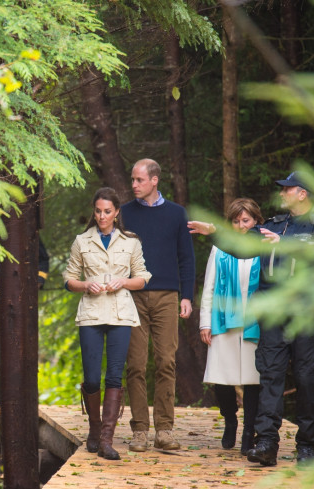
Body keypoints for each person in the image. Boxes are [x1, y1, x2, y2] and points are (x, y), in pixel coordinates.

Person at [188, 170, 314, 466]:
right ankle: (266, 442)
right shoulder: (275, 225)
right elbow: (240, 244)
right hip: (272, 315)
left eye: (287, 189)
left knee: (307, 380)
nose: (281, 193)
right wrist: (213, 231)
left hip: (306, 315)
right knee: (269, 378)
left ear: (302, 193)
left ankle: (307, 447)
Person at [63, 187, 151, 460]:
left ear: (117, 213)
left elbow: (143, 276)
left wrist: (123, 282)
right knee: (91, 378)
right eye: (99, 211)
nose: (102, 216)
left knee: (114, 375)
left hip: (121, 315)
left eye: (108, 211)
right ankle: (93, 428)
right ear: (94, 211)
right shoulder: (82, 241)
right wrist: (85, 285)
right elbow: (68, 279)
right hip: (91, 314)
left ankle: (106, 440)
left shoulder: (131, 242)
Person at [121, 159, 196, 452]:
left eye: (139, 180)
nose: (134, 185)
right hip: (133, 296)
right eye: (133, 180)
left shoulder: (176, 213)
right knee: (136, 364)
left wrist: (187, 296)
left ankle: (164, 430)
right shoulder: (124, 214)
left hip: (167, 296)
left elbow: (186, 257)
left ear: (154, 180)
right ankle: (140, 430)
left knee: (166, 361)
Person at [198, 198, 263, 456]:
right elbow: (209, 286)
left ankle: (249, 432)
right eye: (235, 221)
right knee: (221, 379)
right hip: (223, 321)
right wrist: (205, 322)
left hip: (255, 322)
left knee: (252, 380)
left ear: (256, 221)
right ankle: (230, 419)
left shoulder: (264, 248)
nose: (240, 226)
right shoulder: (221, 248)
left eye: (245, 220)